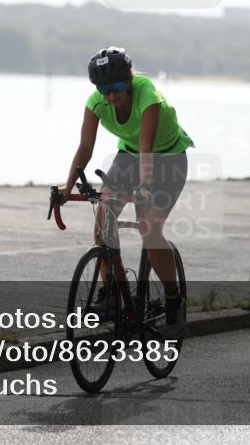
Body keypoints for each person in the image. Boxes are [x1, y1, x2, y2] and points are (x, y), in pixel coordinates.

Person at [60, 46, 193, 333]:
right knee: (103, 220)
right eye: (104, 89)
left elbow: (147, 146)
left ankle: (173, 299)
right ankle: (110, 294)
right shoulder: (96, 102)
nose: (111, 95)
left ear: (129, 79)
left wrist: (144, 185)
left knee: (150, 229)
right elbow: (85, 147)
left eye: (117, 87)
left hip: (168, 158)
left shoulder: (147, 95)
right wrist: (67, 187)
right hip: (129, 156)